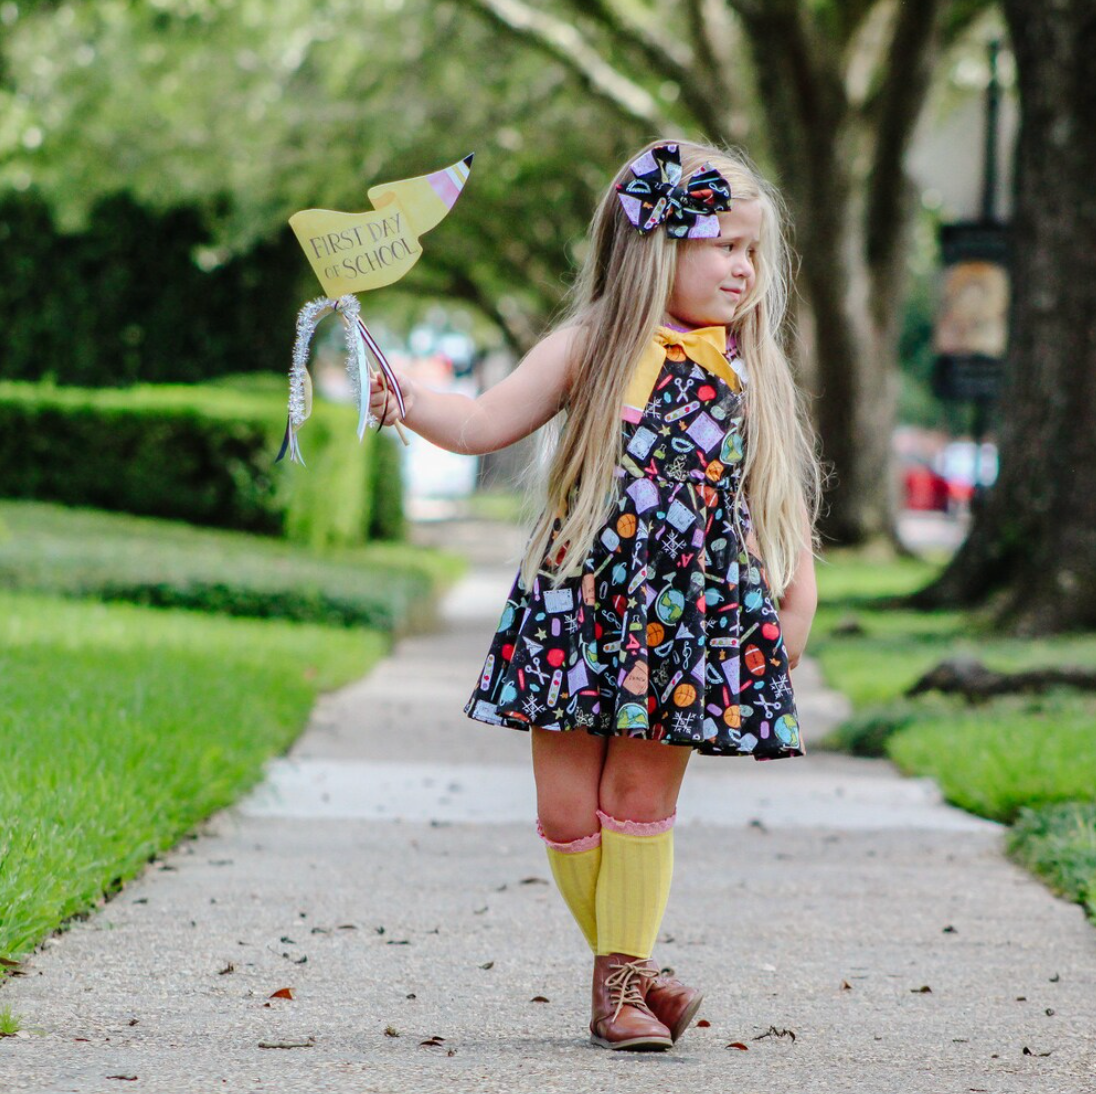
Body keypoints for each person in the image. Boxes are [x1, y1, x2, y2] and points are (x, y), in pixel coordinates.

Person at [369, 139, 823, 1052]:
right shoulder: (591, 346)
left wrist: (788, 618)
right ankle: (640, 974)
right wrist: (406, 399)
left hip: (691, 624)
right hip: (579, 609)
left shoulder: (746, 367)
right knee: (567, 813)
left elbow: (779, 508)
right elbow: (479, 420)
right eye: (724, 246)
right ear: (657, 245)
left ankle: (615, 995)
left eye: (752, 252)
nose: (743, 269)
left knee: (639, 800)